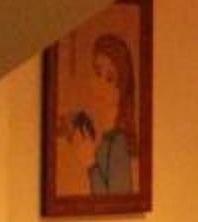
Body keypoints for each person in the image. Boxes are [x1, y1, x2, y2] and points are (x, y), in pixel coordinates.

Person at [59, 32, 138, 194]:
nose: (99, 83)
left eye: (110, 78)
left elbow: (115, 199)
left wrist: (90, 164)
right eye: (97, 72)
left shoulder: (118, 143)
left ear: (121, 89)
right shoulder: (91, 127)